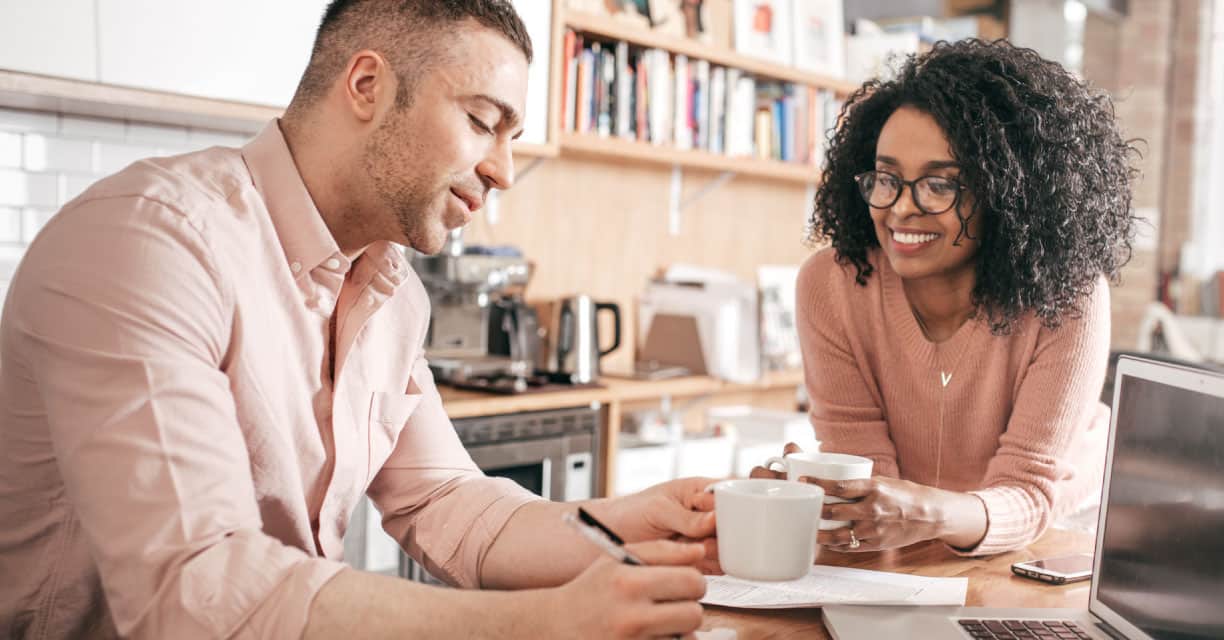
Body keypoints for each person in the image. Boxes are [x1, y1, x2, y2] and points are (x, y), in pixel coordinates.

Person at [0, 2, 715, 638]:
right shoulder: (150, 239)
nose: (502, 170)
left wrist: (631, 521)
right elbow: (193, 593)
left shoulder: (391, 291)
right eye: (480, 122)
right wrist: (543, 623)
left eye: (512, 138)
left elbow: (449, 504)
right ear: (367, 85)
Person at [754, 40, 1138, 556]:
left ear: (1009, 193)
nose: (901, 209)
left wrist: (923, 513)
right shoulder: (832, 285)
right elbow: (867, 479)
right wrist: (828, 497)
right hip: (911, 538)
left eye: (939, 185)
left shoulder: (1067, 297)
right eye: (887, 178)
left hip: (1053, 538)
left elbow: (1028, 492)